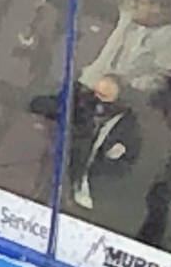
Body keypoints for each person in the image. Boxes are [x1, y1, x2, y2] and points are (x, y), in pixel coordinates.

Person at [77, 0, 171, 95]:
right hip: (92, 89)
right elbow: (103, 62)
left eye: (140, 3)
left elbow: (162, 82)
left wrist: (123, 84)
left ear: (156, 8)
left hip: (129, 100)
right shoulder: (130, 27)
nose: (133, 6)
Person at [60, 75, 141, 212]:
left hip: (95, 198)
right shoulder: (78, 110)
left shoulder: (129, 129)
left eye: (104, 97)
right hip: (61, 181)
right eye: (95, 94)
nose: (97, 102)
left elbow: (126, 168)